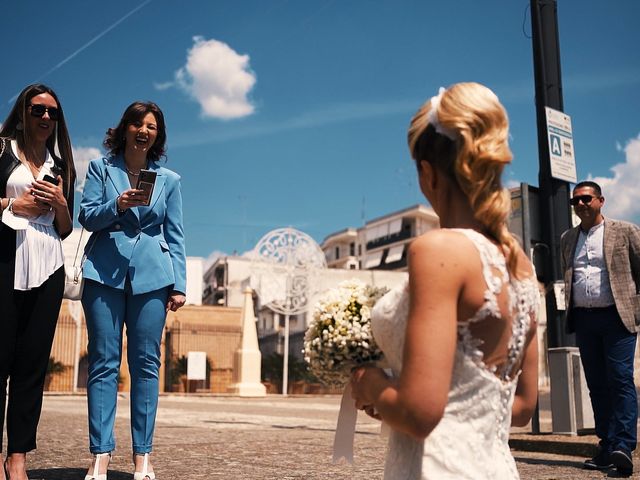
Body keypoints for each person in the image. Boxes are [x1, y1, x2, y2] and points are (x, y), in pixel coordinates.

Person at [350, 83, 539, 479]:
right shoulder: (521, 265)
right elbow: (521, 407)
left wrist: (371, 386)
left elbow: (420, 414)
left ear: (427, 173)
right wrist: (394, 396)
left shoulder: (437, 250)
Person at [79, 101, 186, 480]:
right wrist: (117, 204)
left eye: (152, 126)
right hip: (103, 273)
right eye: (138, 124)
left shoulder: (169, 180)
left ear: (158, 135)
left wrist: (180, 285)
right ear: (124, 129)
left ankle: (143, 456)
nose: (144, 130)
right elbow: (87, 215)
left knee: (146, 366)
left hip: (154, 278)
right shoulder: (99, 169)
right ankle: (101, 455)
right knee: (103, 364)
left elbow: (175, 235)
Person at [0, 84, 75, 480]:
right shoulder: (1, 150)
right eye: (37, 110)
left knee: (31, 366)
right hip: (5, 261)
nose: (46, 118)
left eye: (53, 113)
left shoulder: (61, 166)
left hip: (47, 269)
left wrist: (61, 204)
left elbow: (65, 229)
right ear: (23, 111)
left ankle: (18, 457)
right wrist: (13, 205)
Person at [561, 181, 640, 476]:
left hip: (616, 317)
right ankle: (607, 448)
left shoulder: (625, 230)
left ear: (600, 200)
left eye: (586, 199)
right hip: (584, 319)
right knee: (596, 385)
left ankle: (623, 446)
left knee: (619, 379)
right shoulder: (567, 238)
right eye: (576, 201)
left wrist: (636, 308)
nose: (580, 204)